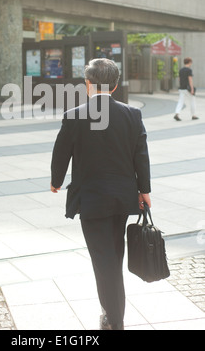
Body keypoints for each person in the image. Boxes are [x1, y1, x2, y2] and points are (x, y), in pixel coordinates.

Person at [50, 59, 151, 331]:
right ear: (115, 85)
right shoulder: (132, 114)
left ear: (87, 85)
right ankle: (112, 314)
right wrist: (145, 190)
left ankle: (113, 320)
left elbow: (61, 152)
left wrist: (55, 181)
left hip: (91, 201)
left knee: (103, 260)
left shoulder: (74, 115)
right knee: (113, 255)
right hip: (122, 198)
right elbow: (140, 155)